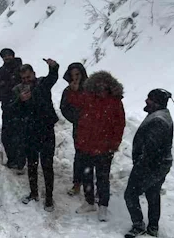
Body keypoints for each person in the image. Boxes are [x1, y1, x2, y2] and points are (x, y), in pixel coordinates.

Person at [67, 71, 126, 222]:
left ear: (109, 86)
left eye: (104, 85)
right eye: (98, 85)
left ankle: (103, 207)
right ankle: (89, 202)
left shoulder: (115, 101)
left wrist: (115, 143)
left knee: (102, 178)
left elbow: (119, 124)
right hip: (86, 145)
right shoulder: (87, 96)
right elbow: (74, 102)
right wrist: (72, 90)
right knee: (86, 175)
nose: (101, 88)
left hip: (105, 147)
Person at [9, 59, 60, 212]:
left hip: (46, 131)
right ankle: (33, 193)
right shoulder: (18, 90)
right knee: (32, 164)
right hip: (29, 132)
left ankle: (49, 198)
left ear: (34, 75)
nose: (26, 81)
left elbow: (53, 78)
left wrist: (54, 67)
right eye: (23, 78)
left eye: (28, 77)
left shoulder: (42, 84)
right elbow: (11, 110)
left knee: (47, 165)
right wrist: (20, 100)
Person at [124, 89, 174, 238]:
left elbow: (151, 149)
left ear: (157, 102)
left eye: (149, 99)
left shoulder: (158, 120)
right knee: (153, 194)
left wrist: (141, 166)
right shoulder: (162, 115)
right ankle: (153, 227)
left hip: (150, 165)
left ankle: (138, 225)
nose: (146, 101)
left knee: (130, 194)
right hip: (161, 164)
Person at [0, 48, 24, 169]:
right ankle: (12, 159)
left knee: (20, 135)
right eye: (4, 56)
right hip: (7, 107)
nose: (7, 58)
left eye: (9, 55)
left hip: (21, 107)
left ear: (13, 56)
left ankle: (20, 162)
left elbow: (28, 84)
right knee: (6, 136)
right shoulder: (1, 71)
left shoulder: (21, 69)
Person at [59, 63, 88, 196]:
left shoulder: (90, 88)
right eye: (72, 75)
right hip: (79, 127)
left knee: (93, 157)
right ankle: (77, 184)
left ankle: (91, 186)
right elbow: (64, 108)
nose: (75, 78)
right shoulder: (68, 91)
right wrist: (77, 118)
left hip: (94, 128)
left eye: (77, 74)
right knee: (79, 156)